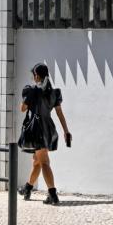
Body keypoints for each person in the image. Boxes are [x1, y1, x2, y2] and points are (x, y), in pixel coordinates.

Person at [18, 63, 71, 205]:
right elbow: (59, 113)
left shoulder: (32, 91)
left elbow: (22, 109)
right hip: (48, 128)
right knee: (37, 162)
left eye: (33, 75)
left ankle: (53, 194)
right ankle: (28, 188)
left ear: (36, 76)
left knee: (44, 162)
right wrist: (66, 131)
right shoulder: (54, 93)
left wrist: (27, 98)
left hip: (37, 130)